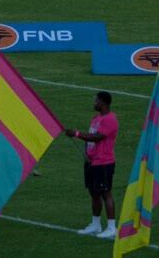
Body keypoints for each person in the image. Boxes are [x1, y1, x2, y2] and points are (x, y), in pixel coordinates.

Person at [68, 92, 118, 238]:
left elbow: (97, 137)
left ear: (103, 102)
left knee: (105, 193)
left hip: (104, 162)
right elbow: (90, 139)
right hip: (92, 162)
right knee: (94, 193)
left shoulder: (110, 119)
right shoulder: (96, 118)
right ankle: (96, 225)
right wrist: (87, 155)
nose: (94, 103)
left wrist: (77, 134)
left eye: (96, 101)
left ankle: (111, 227)